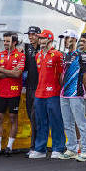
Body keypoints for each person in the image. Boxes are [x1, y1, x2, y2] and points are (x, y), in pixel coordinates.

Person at [29, 30, 65, 159]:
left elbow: (62, 75)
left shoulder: (57, 55)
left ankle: (58, 148)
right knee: (40, 122)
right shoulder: (38, 55)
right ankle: (40, 149)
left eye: (42, 38)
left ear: (49, 39)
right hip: (39, 93)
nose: (39, 40)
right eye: (39, 38)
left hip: (53, 93)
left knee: (56, 121)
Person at [0, 32, 26, 157]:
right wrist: (9, 72)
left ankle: (9, 147)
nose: (5, 43)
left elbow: (17, 74)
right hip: (1, 91)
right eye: (4, 41)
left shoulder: (21, 56)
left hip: (14, 91)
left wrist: (1, 70)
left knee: (12, 118)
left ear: (14, 42)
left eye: (7, 41)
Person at [58, 29, 86, 161]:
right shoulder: (66, 55)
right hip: (64, 93)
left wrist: (81, 90)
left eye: (67, 38)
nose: (65, 41)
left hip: (76, 94)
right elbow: (63, 74)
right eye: (64, 38)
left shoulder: (81, 55)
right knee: (67, 123)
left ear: (74, 39)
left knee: (81, 123)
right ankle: (71, 148)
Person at [24, 26, 41, 157]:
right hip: (29, 86)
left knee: (36, 118)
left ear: (39, 35)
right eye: (29, 34)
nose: (30, 37)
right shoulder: (27, 48)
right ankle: (38, 145)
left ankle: (35, 147)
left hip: (40, 88)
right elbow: (24, 67)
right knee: (31, 117)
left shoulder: (44, 49)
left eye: (33, 34)